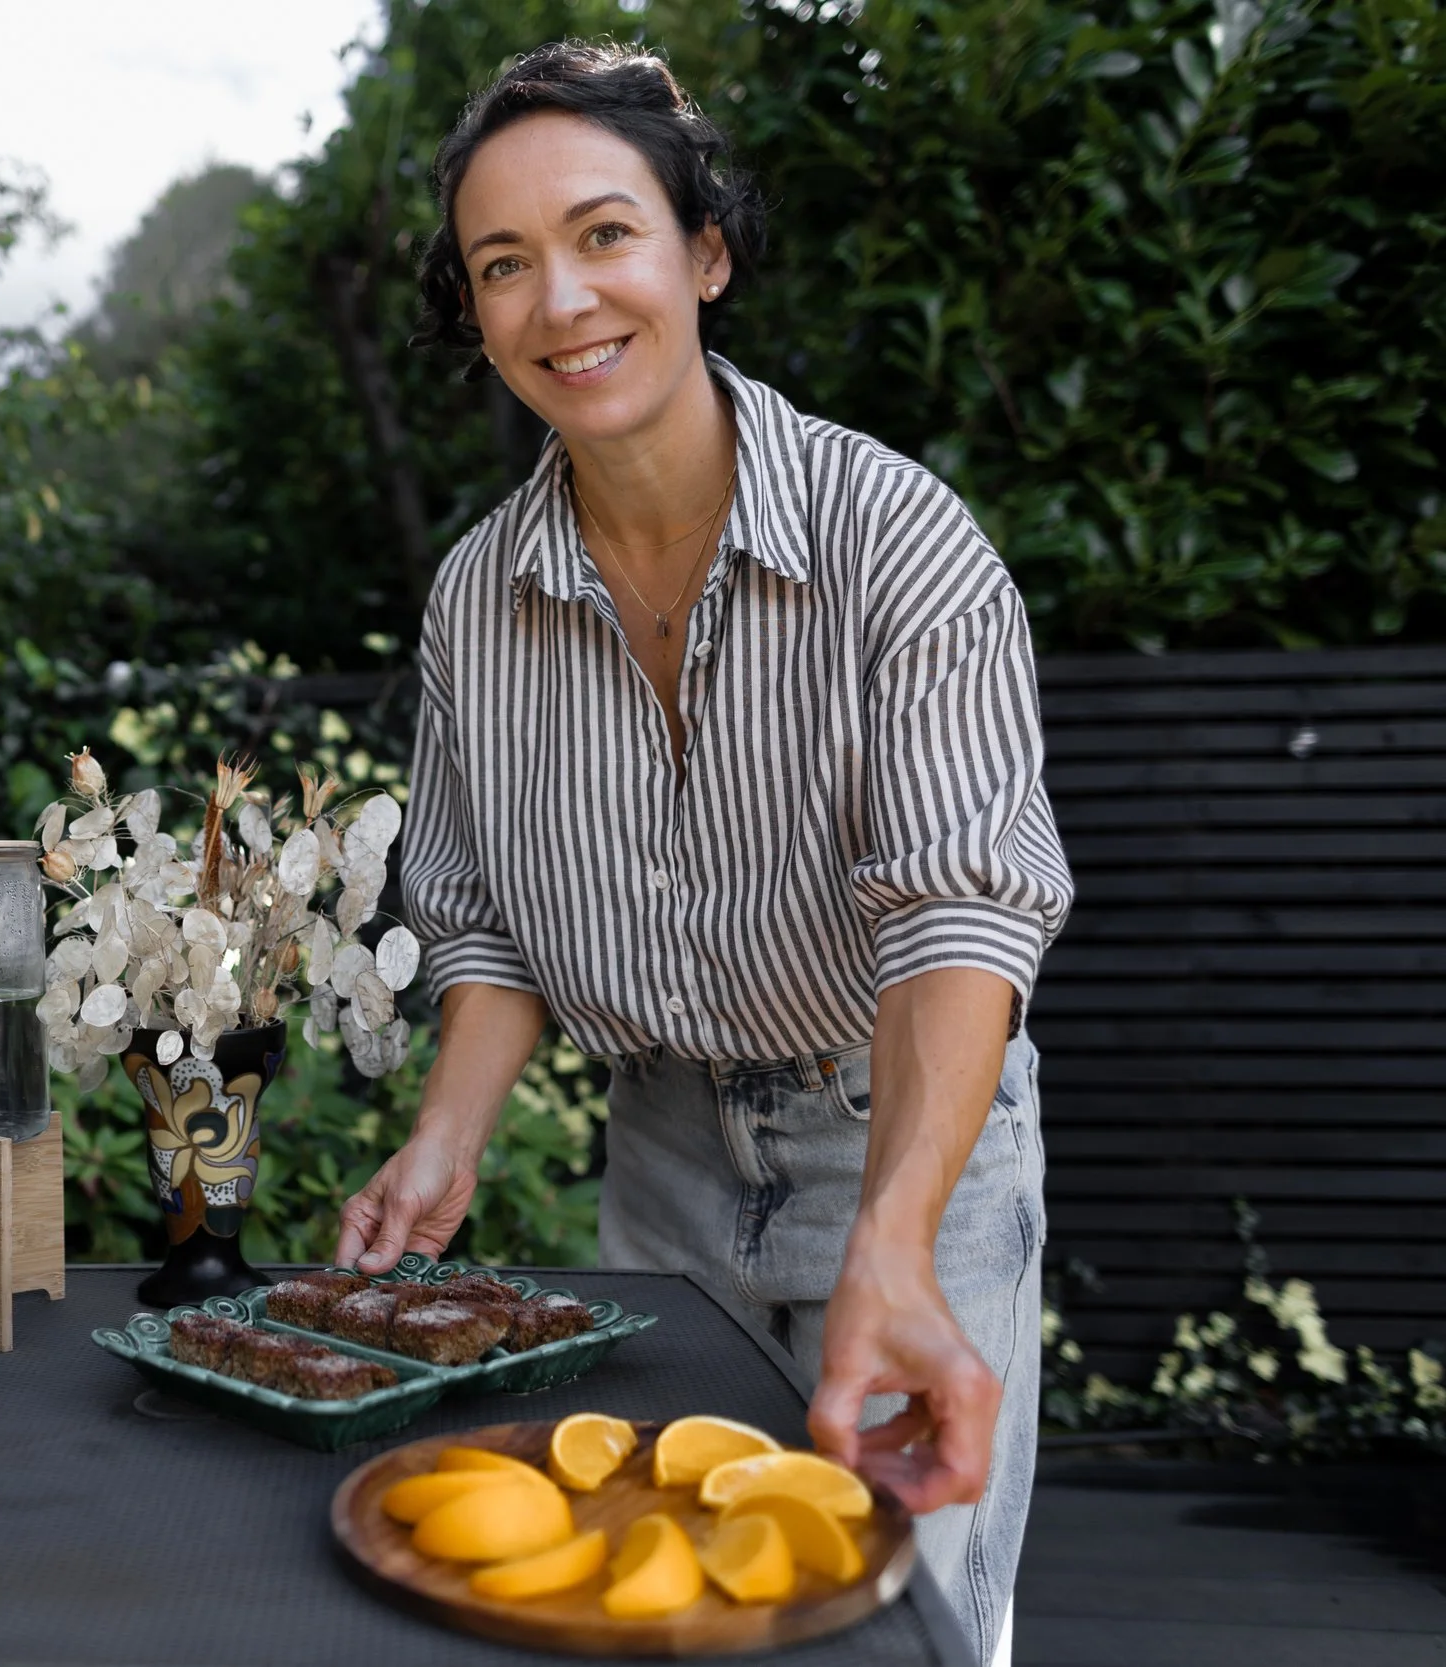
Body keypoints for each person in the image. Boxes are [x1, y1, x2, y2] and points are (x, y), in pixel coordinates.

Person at [330, 41, 1071, 1666]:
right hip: (661, 1162)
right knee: (657, 1589)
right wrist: (448, 1142)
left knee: (902, 1612)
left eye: (606, 234)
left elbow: (963, 913)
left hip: (908, 1150)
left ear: (705, 253)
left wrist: (896, 1238)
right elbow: (486, 927)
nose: (561, 301)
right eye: (503, 265)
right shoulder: (476, 599)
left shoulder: (904, 544)